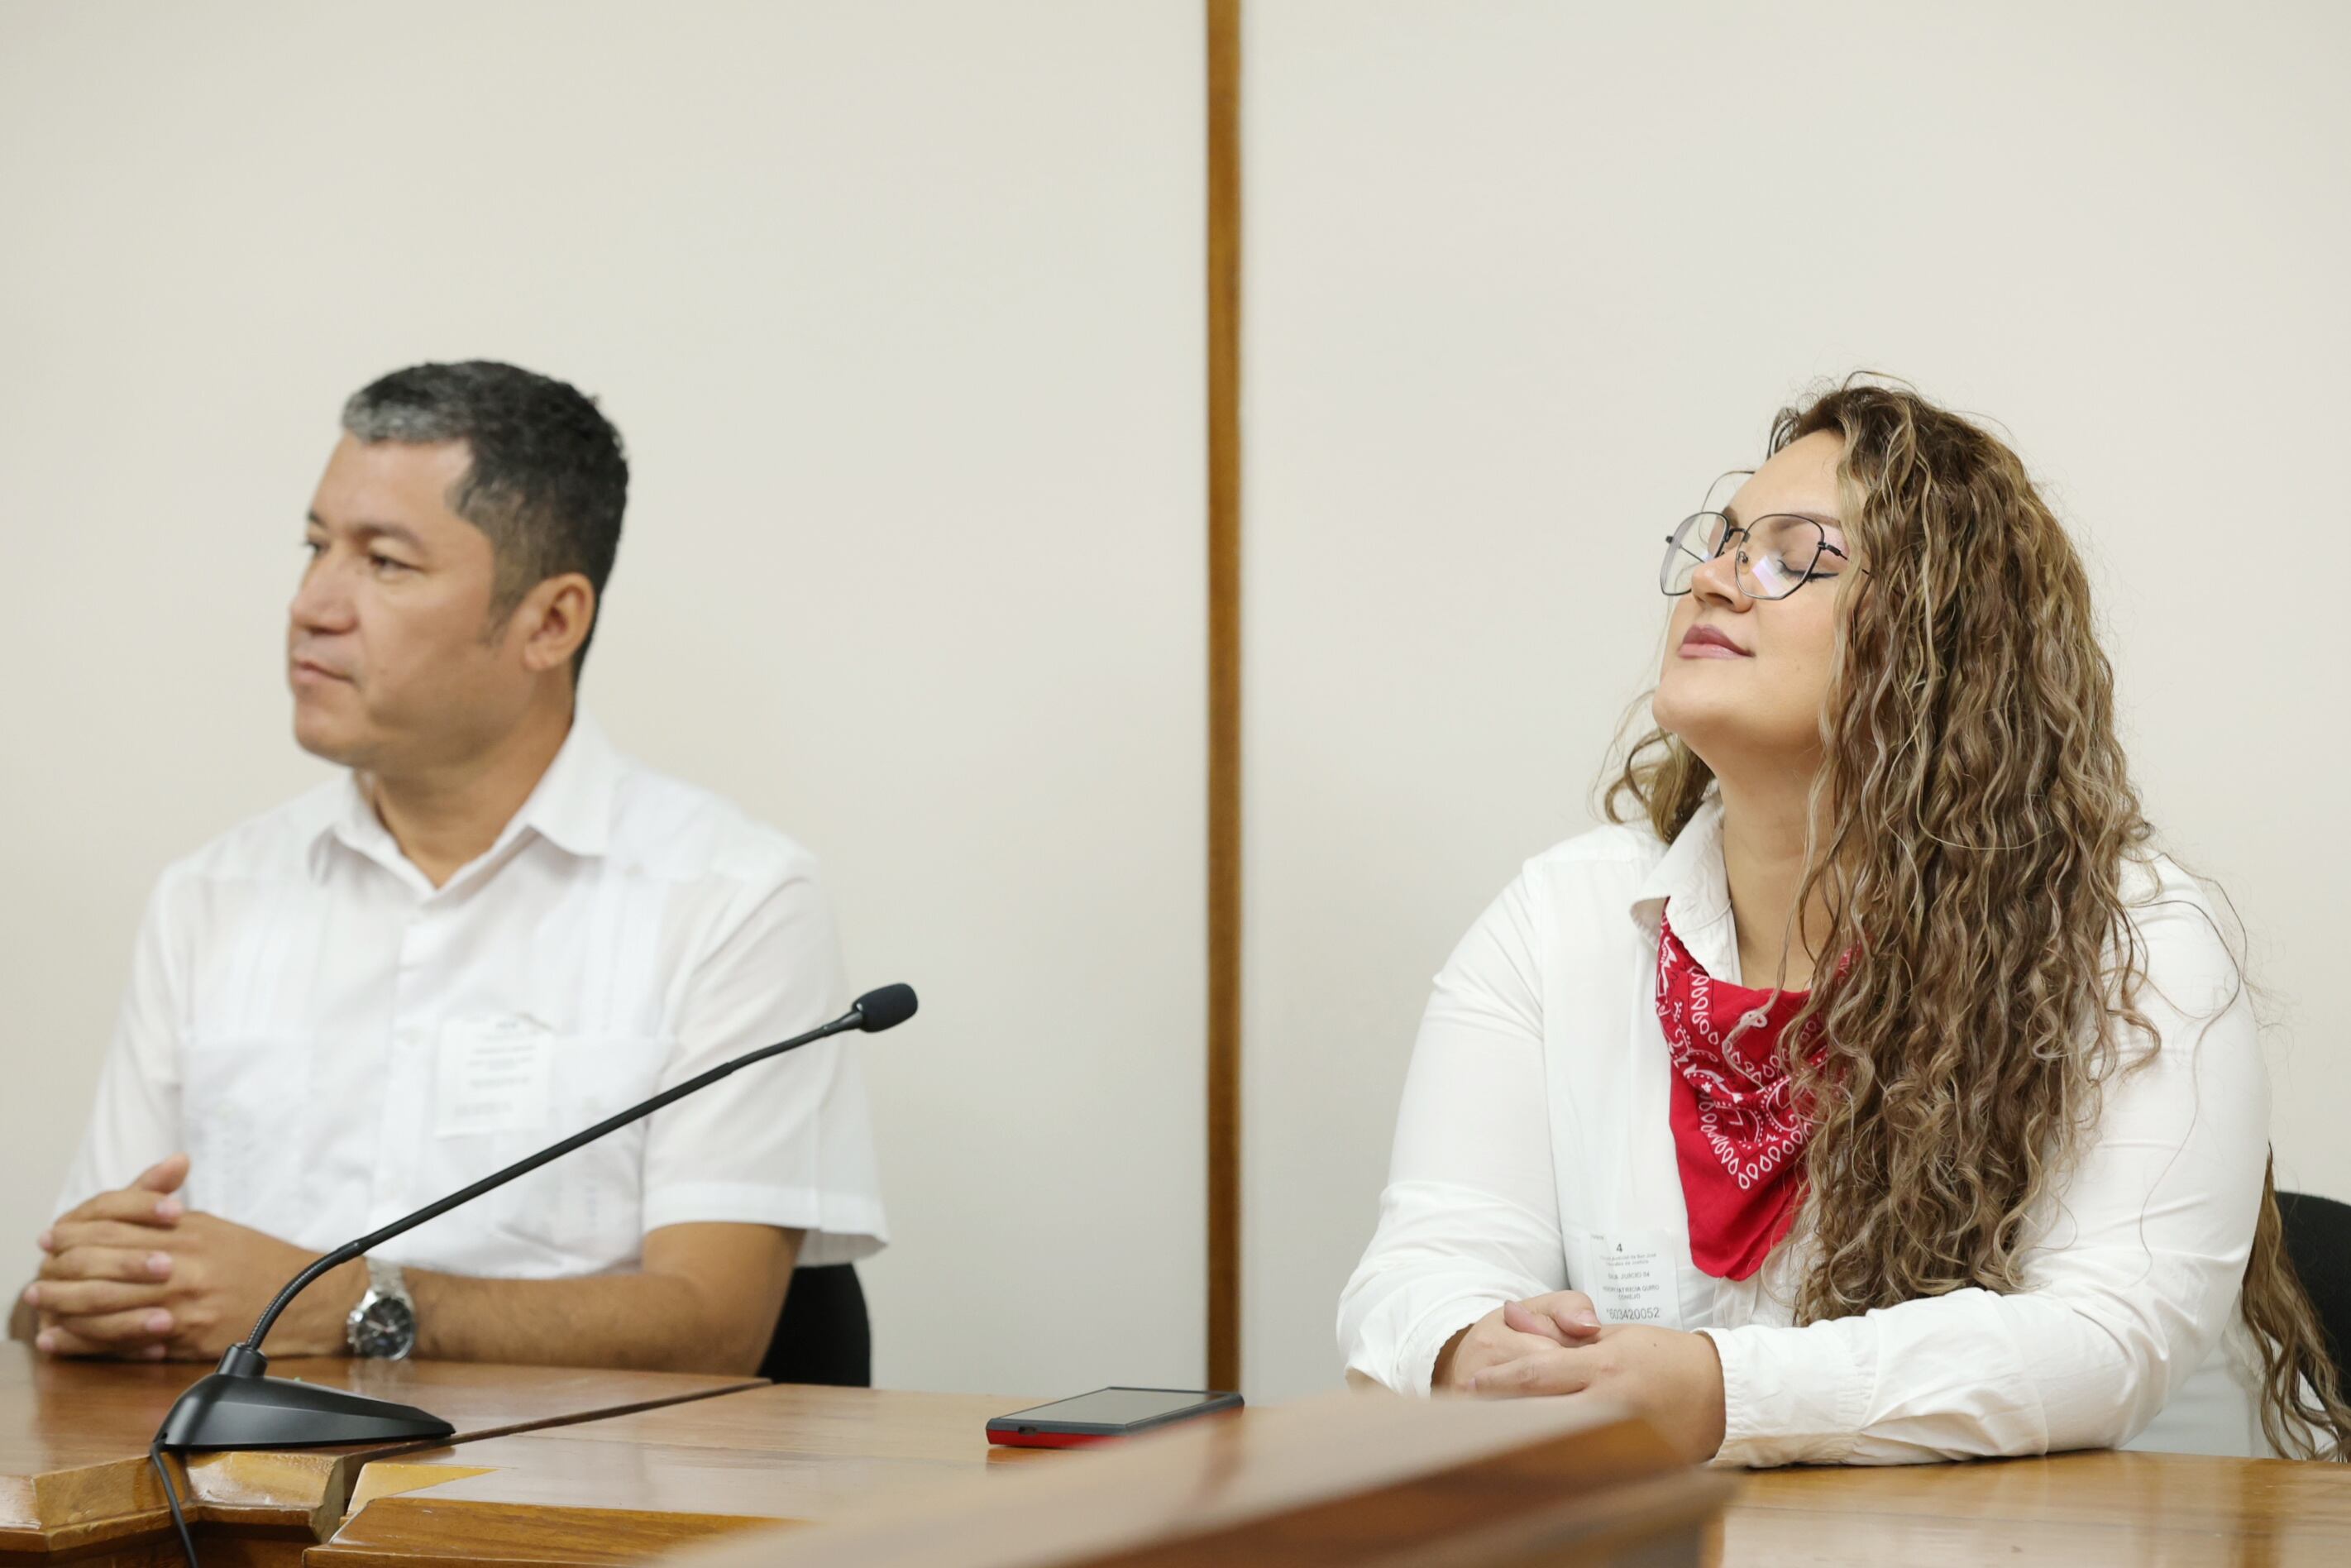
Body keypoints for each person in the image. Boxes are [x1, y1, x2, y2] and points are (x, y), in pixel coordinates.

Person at [1338, 378, 2349, 1465]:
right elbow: (1425, 1261)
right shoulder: (1557, 917)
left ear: (1938, 640)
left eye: (1790, 554)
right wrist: (1464, 1349)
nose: (1716, 581)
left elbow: (2105, 1339)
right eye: (1721, 542)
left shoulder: (2130, 938)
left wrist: (1724, 1394)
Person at [12, 361, 884, 1374]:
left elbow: (715, 1326)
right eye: (313, 547)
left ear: (550, 622)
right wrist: (77, 1298)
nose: (312, 605)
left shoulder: (733, 900)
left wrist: (355, 1303)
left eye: (384, 563)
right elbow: (66, 1293)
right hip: (228, 1516)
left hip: (570, 1518)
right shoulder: (211, 895)